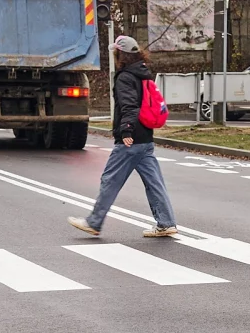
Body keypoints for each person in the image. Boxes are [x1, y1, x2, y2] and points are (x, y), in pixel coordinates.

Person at [69, 36, 178, 238]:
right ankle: (166, 222)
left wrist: (126, 130)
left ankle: (94, 222)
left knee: (110, 179)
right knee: (154, 182)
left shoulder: (125, 77)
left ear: (121, 54)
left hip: (131, 139)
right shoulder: (143, 73)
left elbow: (129, 106)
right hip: (145, 137)